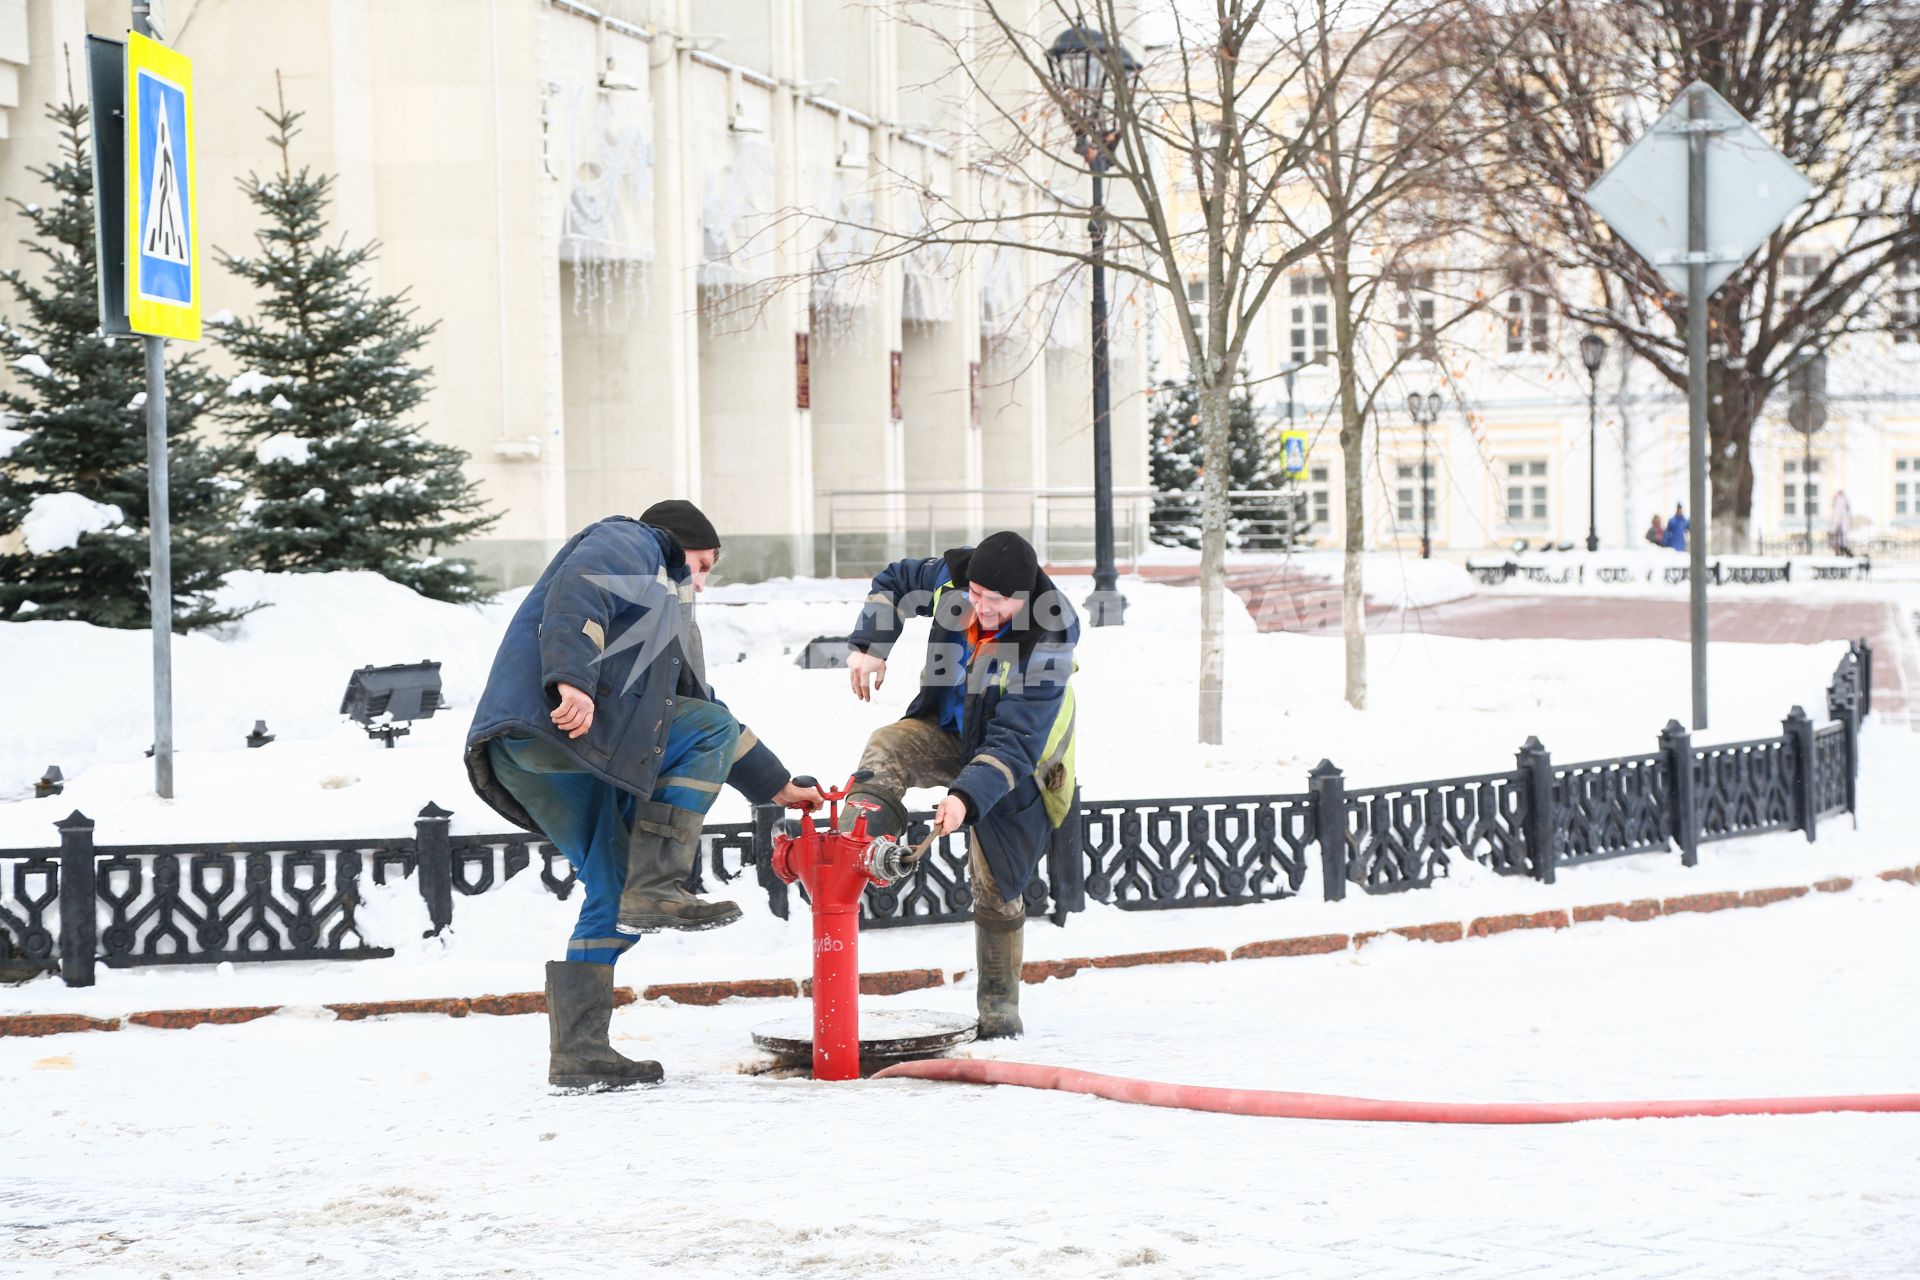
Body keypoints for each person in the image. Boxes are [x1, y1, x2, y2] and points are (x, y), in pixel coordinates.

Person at [465, 500, 822, 1092]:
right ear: (677, 541)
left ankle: (581, 1053)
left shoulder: (662, 616)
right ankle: (659, 886)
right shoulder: (631, 541)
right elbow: (579, 594)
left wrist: (775, 784)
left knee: (612, 886)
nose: (700, 582)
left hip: (536, 753)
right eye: (702, 565)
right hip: (562, 723)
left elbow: (704, 709)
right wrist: (572, 679)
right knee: (703, 737)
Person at [842, 531, 1078, 1040]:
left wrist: (965, 797)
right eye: (974, 595)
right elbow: (896, 581)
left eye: (996, 601)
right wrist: (870, 645)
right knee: (887, 745)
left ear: (1025, 598)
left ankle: (999, 1003)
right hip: (948, 731)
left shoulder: (1048, 640)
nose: (980, 607)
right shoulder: (954, 580)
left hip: (1017, 762)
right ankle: (860, 850)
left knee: (996, 880)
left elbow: (1016, 740)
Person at [1829, 489, 1853, 556]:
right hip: (1841, 525)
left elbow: (1837, 515)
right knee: (1842, 540)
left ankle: (1840, 551)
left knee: (1838, 540)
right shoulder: (1843, 501)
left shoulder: (1839, 501)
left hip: (1839, 525)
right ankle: (1842, 551)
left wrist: (1834, 527)